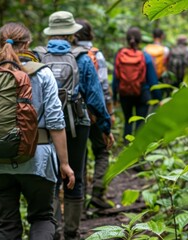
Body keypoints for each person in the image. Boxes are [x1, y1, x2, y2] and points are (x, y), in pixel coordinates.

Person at [0, 22, 75, 240]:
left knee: (5, 225)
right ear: (28, 45)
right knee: (42, 218)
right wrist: (64, 164)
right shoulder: (43, 73)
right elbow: (55, 121)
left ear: (0, 43)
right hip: (38, 160)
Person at [38, 11, 115, 240]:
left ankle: (54, 230)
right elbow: (95, 97)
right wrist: (105, 127)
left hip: (46, 126)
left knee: (51, 177)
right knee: (76, 175)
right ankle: (72, 232)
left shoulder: (38, 57)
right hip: (77, 124)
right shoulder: (82, 57)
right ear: (72, 33)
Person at [74, 18, 114, 209]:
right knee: (102, 152)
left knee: (79, 156)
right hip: (95, 113)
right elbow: (103, 88)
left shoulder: (66, 54)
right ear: (90, 34)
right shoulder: (96, 55)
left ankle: (77, 201)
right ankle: (98, 193)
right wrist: (108, 114)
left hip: (72, 114)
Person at [112, 26, 161, 145]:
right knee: (140, 123)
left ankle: (126, 145)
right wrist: (158, 98)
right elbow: (153, 80)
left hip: (124, 94)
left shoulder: (120, 55)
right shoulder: (146, 57)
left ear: (127, 39)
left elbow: (115, 78)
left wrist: (115, 96)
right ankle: (138, 152)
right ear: (140, 40)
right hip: (142, 94)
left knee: (128, 120)